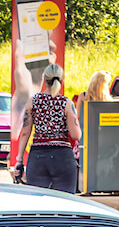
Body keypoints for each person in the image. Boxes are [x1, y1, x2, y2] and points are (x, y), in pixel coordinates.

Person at [13, 64, 81, 193]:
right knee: (65, 203)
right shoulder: (66, 103)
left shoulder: (33, 101)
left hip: (38, 158)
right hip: (63, 158)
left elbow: (25, 133)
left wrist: (20, 161)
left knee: (38, 205)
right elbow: (76, 135)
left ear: (44, 80)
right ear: (62, 80)